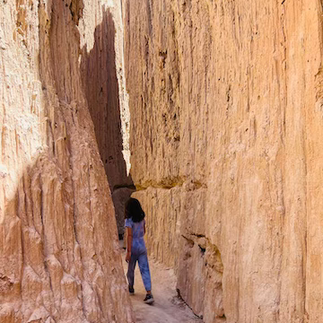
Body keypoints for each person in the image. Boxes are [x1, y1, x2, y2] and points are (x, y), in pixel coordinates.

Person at [125, 197, 154, 304]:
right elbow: (144, 231)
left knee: (131, 269)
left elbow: (129, 235)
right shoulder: (142, 219)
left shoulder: (128, 221)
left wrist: (128, 252)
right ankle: (149, 293)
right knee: (145, 269)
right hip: (142, 245)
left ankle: (131, 287)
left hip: (133, 247)